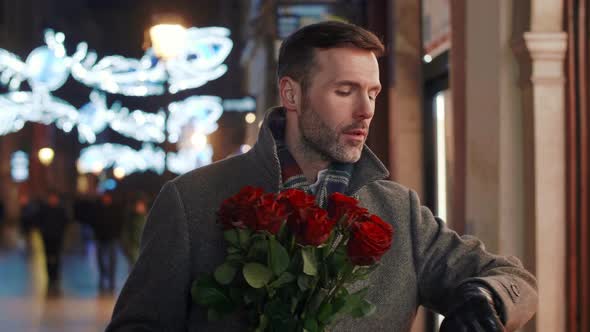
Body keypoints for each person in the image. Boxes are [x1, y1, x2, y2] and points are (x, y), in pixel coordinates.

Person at [107, 21, 537, 331]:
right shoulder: (192, 200)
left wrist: (488, 297)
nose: (366, 110)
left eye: (372, 93)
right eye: (345, 91)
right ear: (291, 93)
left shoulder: (396, 208)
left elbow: (517, 281)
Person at [38, 191, 69, 296]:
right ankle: (50, 276)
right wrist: (43, 231)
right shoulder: (44, 210)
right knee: (48, 257)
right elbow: (38, 220)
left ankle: (55, 277)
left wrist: (60, 231)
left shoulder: (60, 210)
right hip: (47, 237)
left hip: (57, 237)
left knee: (56, 257)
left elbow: (65, 221)